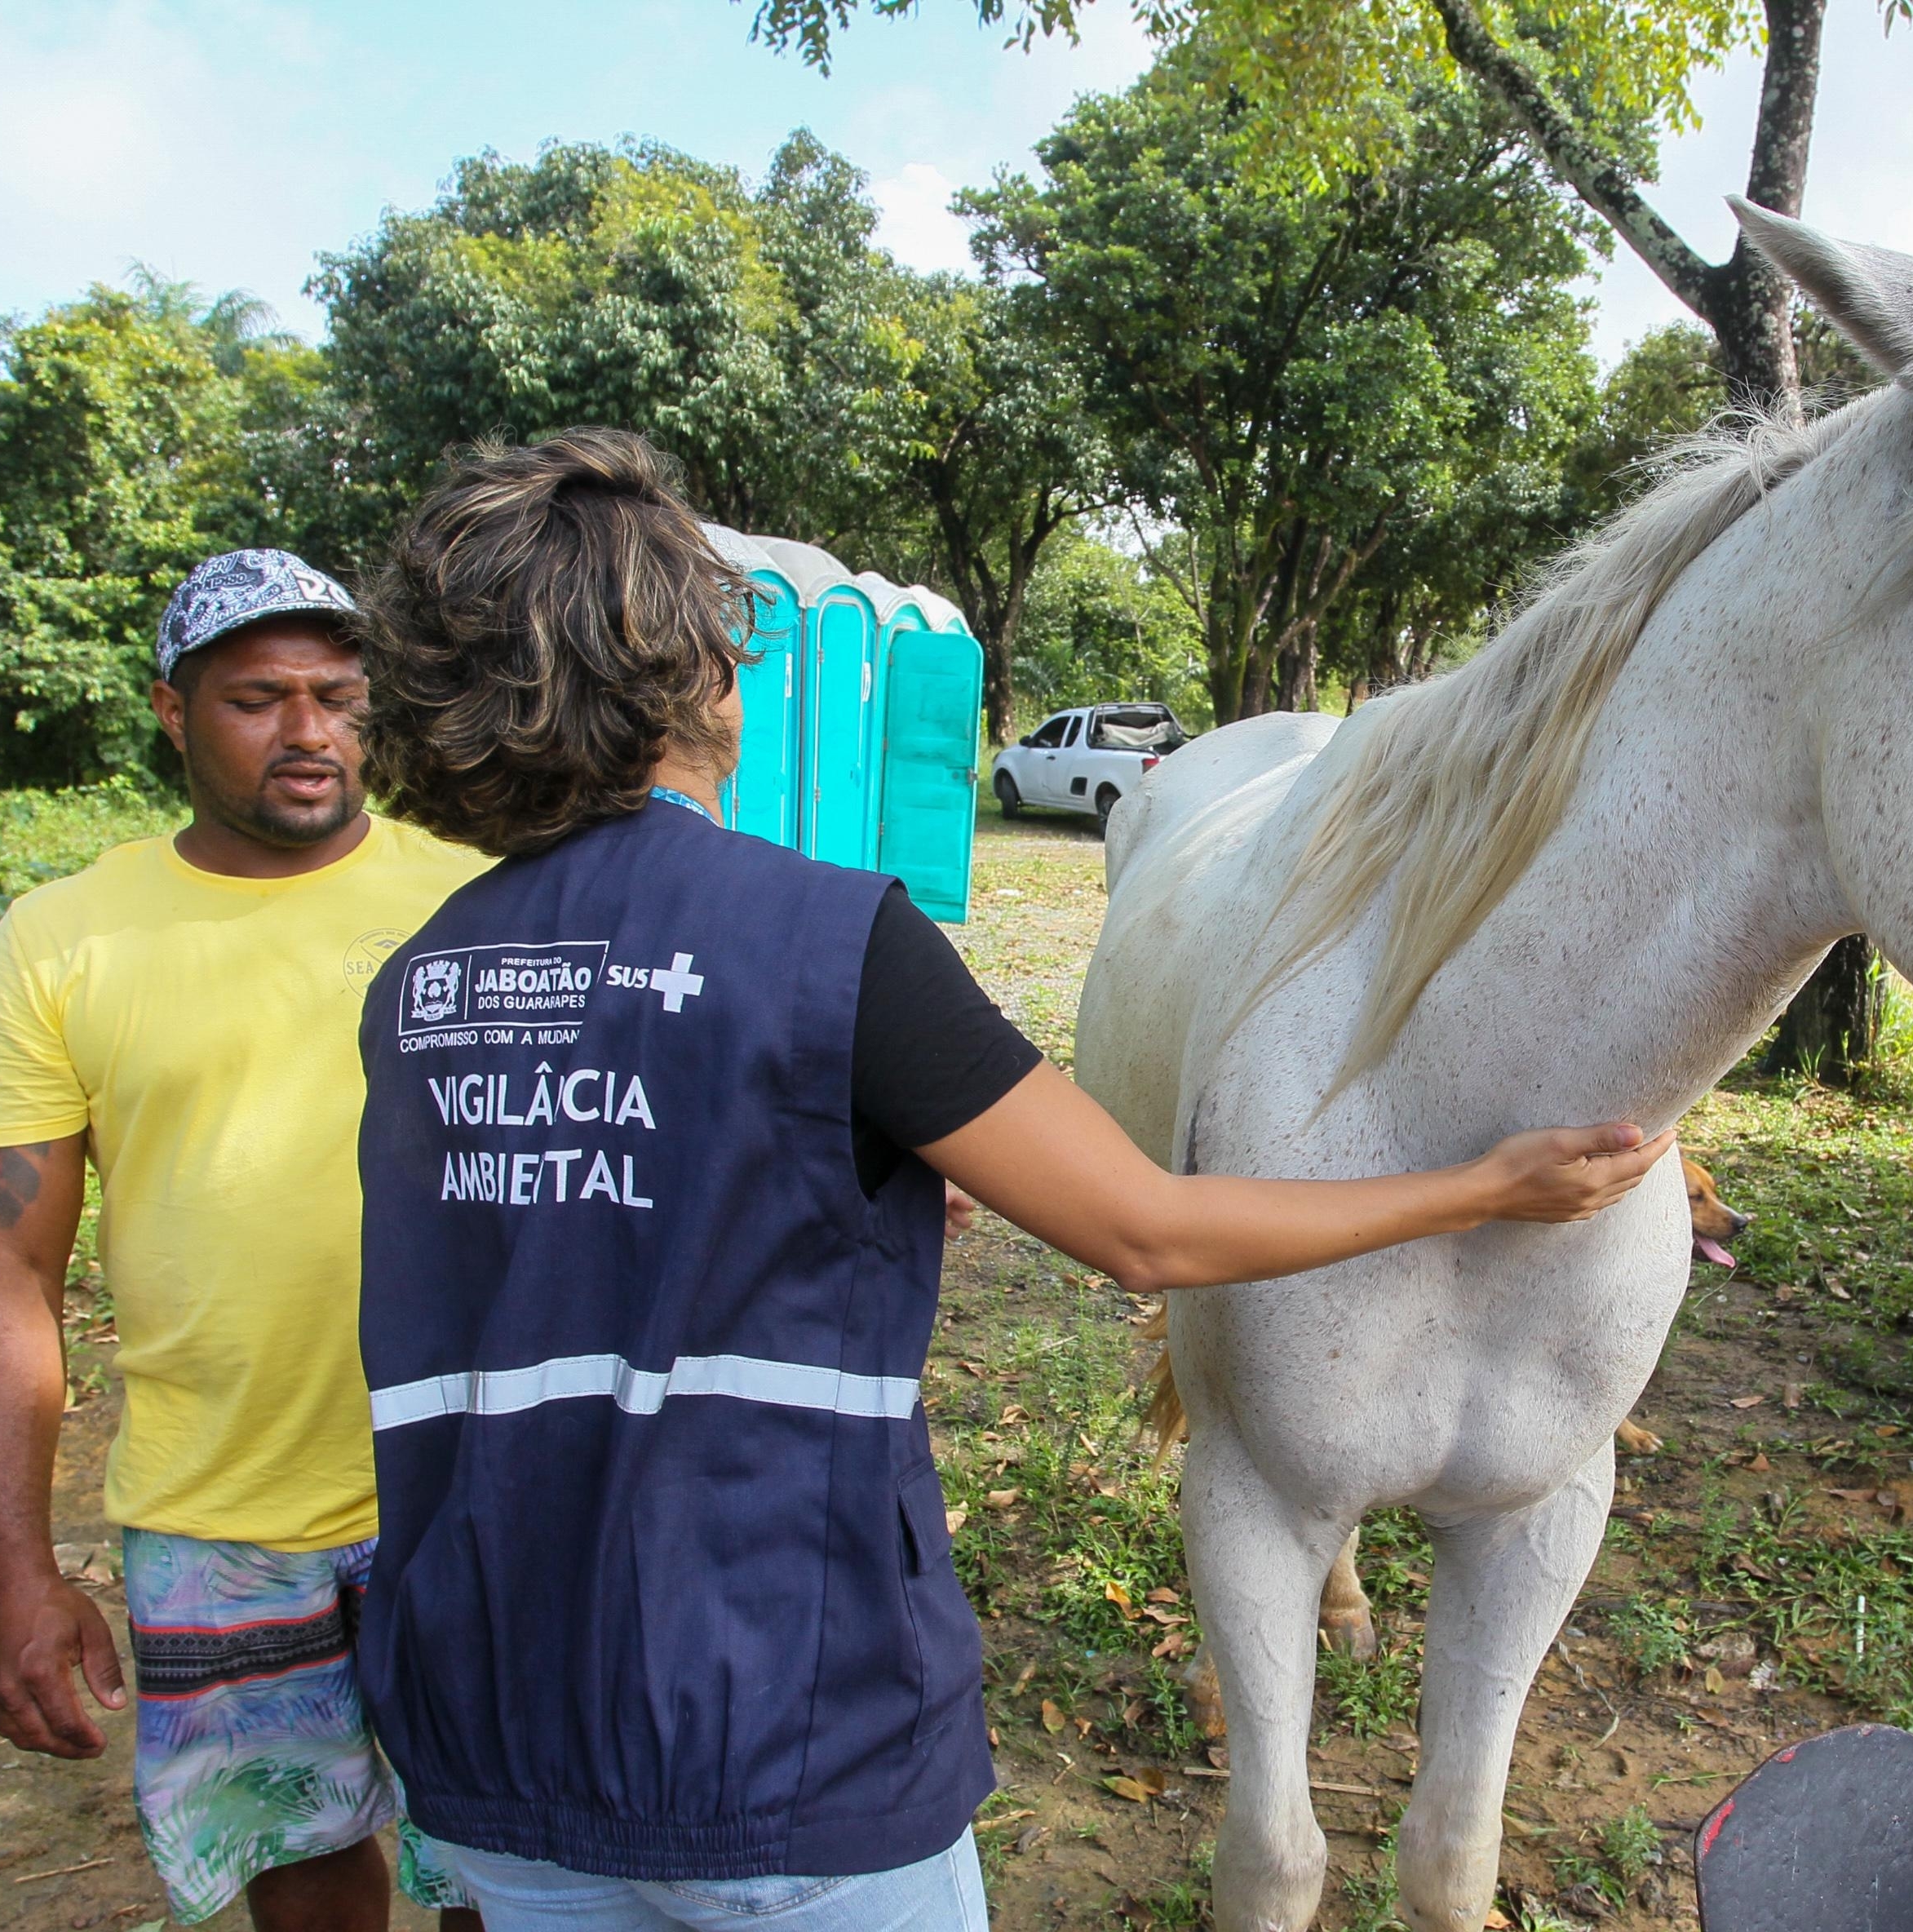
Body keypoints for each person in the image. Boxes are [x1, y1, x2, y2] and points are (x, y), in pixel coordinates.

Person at [348, 428, 1675, 1931]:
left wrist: (857, 1183)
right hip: (780, 1728)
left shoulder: (423, 982)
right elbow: (1146, 1229)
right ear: (698, 676)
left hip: (489, 1718)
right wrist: (1475, 1190)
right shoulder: (833, 941)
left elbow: (586, 1206)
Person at [0, 550, 490, 1930]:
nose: (309, 733)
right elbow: (2, 1262)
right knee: (299, 1875)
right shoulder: (65, 941)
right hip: (217, 1519)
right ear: (174, 712)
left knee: (517, 1864)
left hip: (470, 1482)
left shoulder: (481, 897)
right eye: (257, 698)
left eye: (338, 696)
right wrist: (11, 1575)